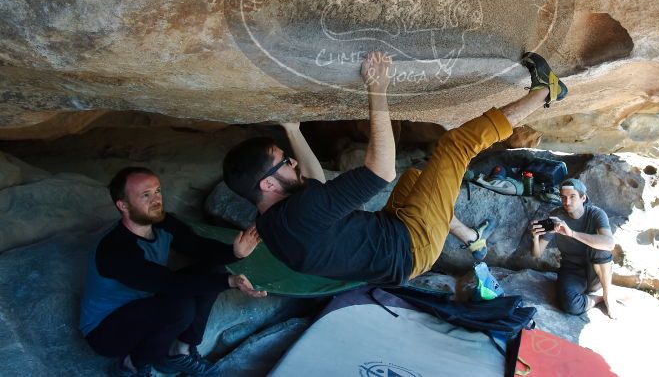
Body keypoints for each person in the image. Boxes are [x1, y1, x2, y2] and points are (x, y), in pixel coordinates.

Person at [223, 50, 567, 286]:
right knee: (455, 147)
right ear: (267, 184)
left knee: (418, 179)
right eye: (284, 162)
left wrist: (293, 131)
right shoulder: (299, 214)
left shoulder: (271, 223)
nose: (292, 161)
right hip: (413, 245)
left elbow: (313, 179)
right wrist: (378, 88)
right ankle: (547, 90)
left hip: (393, 232)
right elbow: (380, 171)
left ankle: (469, 237)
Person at [79, 167, 267, 377]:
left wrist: (235, 253)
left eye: (157, 191)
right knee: (180, 307)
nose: (156, 199)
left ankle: (180, 351)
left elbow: (199, 248)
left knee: (211, 269)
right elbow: (169, 283)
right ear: (123, 205)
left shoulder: (164, 224)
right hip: (107, 332)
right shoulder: (116, 249)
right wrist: (229, 282)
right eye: (146, 195)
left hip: (148, 303)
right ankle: (131, 364)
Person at [529, 178, 616, 318]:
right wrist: (534, 237)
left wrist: (572, 234)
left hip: (596, 271)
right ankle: (598, 298)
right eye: (563, 197)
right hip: (572, 271)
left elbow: (609, 244)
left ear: (583, 198)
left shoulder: (595, 214)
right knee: (570, 305)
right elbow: (536, 254)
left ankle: (607, 294)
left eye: (572, 197)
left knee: (600, 246)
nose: (567, 202)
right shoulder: (557, 217)